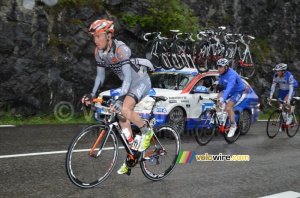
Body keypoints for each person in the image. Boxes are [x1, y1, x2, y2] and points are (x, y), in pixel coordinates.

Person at [82, 19, 154, 175]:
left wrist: (121, 99)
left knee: (125, 108)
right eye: (94, 37)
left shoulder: (121, 49)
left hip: (140, 81)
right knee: (121, 116)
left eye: (99, 36)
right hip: (128, 85)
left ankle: (147, 132)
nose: (96, 41)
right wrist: (92, 94)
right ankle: (132, 154)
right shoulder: (99, 53)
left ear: (109, 35)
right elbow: (100, 76)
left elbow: (128, 77)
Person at [216, 58, 245, 137]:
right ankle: (221, 119)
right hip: (229, 89)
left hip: (237, 91)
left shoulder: (232, 74)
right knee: (218, 99)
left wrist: (223, 98)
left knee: (228, 107)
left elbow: (230, 87)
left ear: (226, 67)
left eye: (220, 67)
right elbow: (221, 85)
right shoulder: (221, 73)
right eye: (218, 67)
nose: (219, 69)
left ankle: (233, 125)